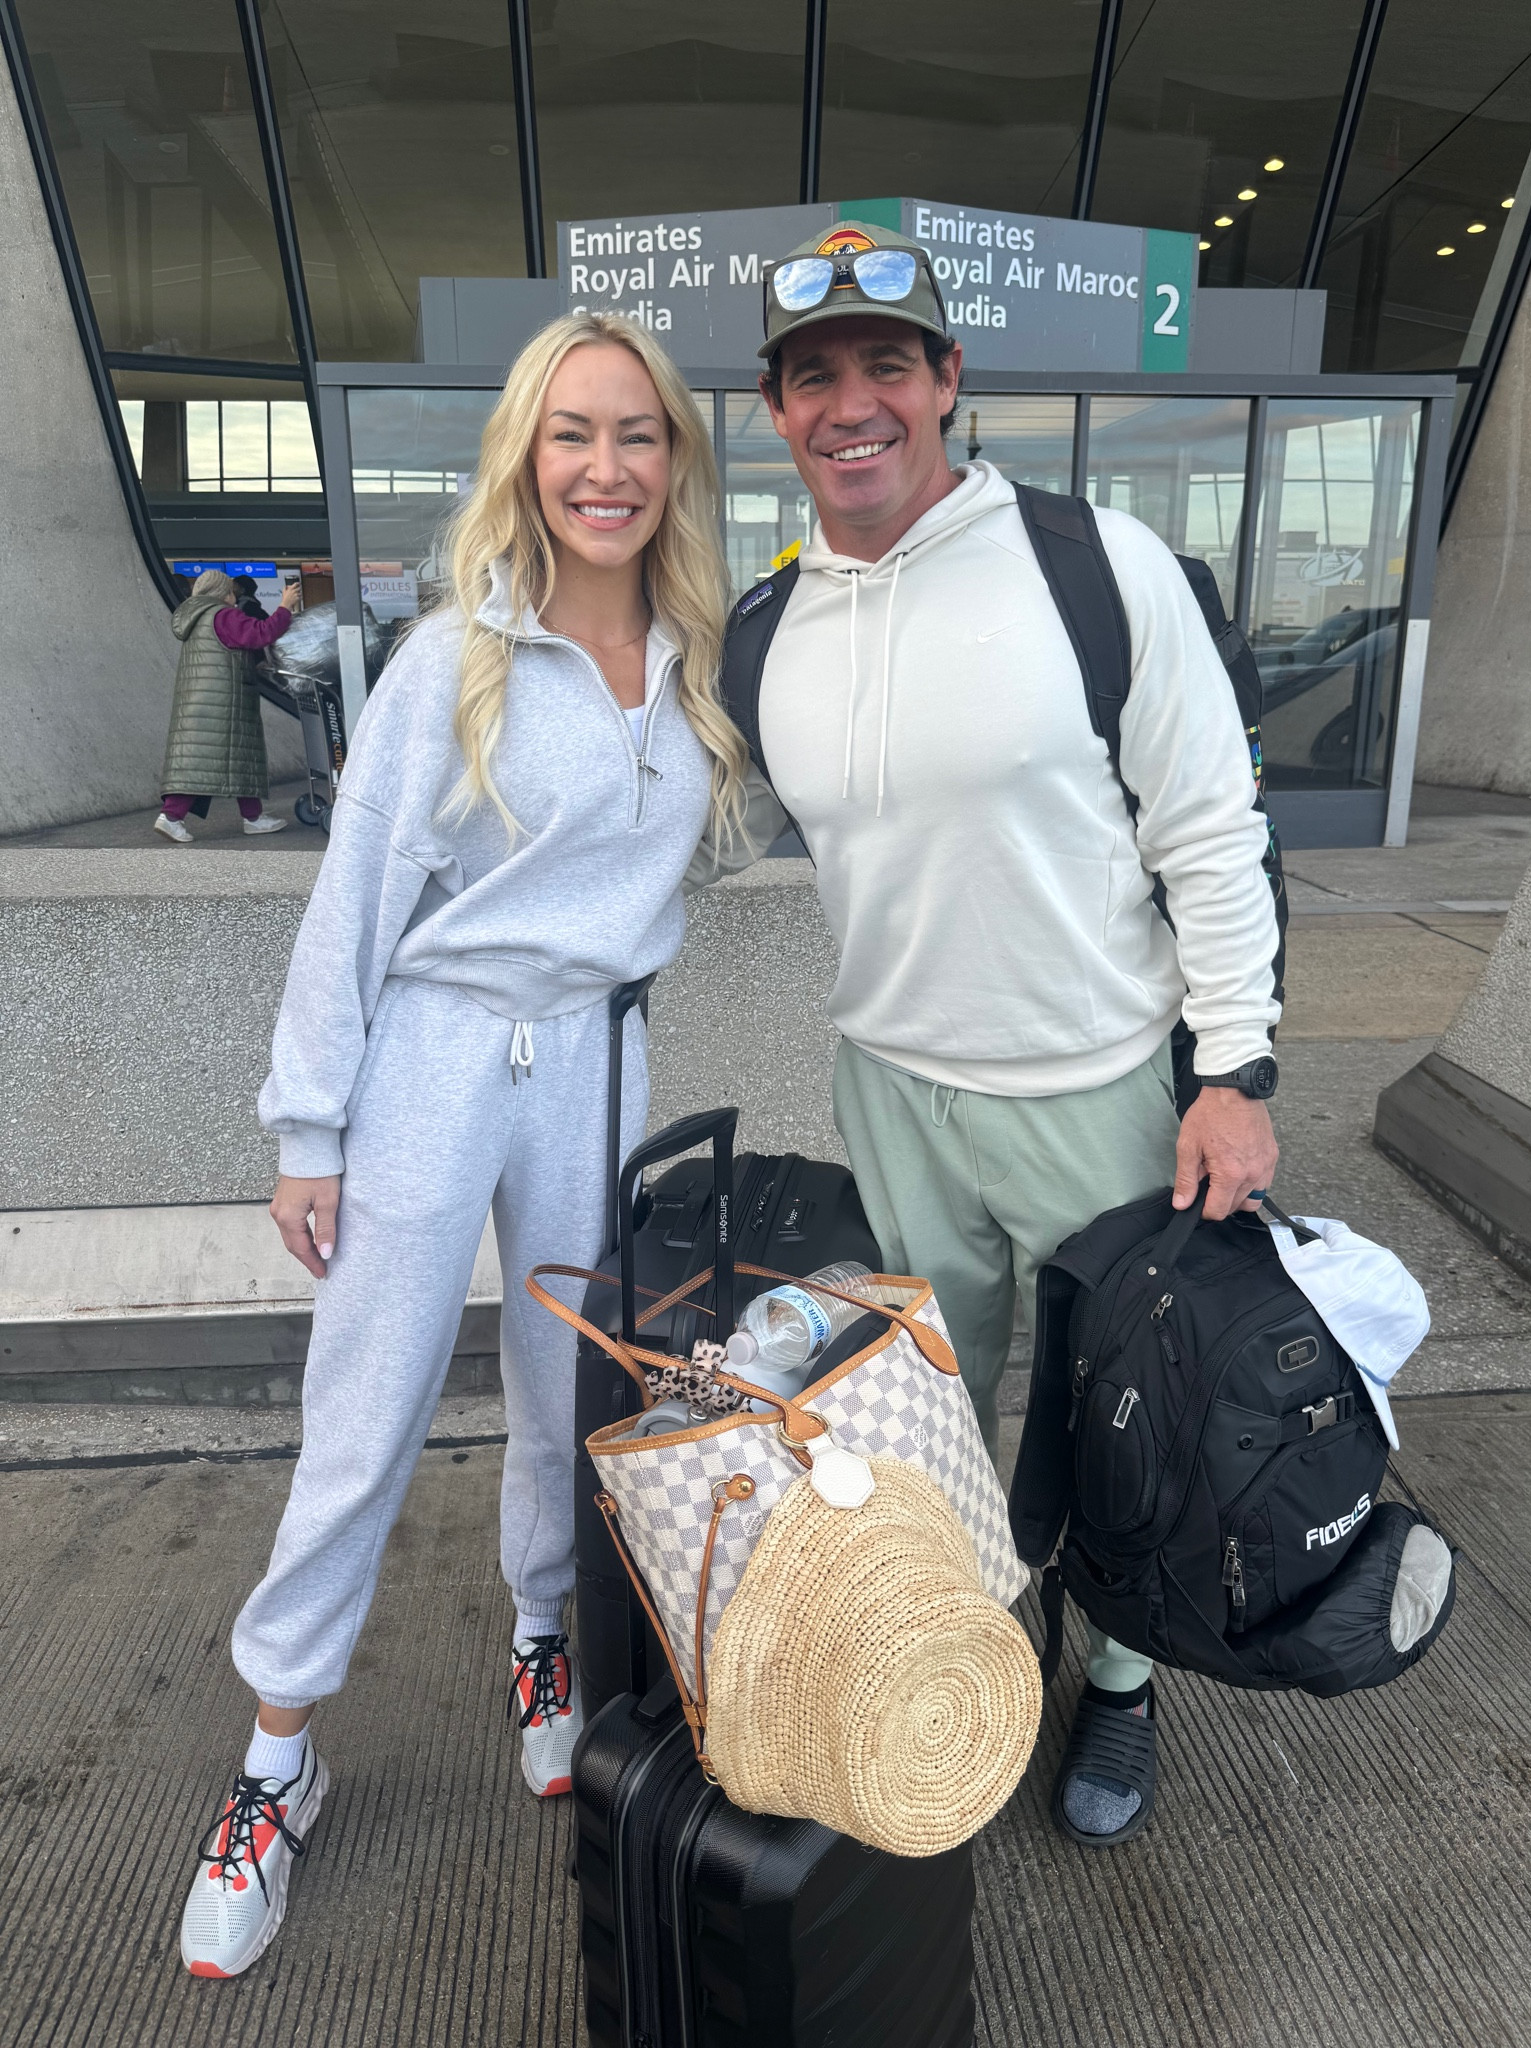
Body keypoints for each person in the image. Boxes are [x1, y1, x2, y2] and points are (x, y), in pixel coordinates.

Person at [697, 223, 1281, 1849]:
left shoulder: (1095, 566)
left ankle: (1115, 1681)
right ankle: (957, 1652)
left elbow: (1211, 829)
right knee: (926, 1422)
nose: (854, 402)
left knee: (1125, 1427)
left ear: (948, 381)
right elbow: (687, 830)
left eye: (889, 362)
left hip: (1093, 1090)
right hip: (888, 1086)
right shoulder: (766, 626)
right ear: (775, 408)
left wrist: (1231, 1070)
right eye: (816, 375)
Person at [178, 311, 746, 1978]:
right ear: (525, 453)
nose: (603, 467)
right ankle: (277, 1760)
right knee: (366, 1412)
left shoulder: (701, 658)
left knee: (580, 1395)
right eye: (571, 434)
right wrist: (310, 1128)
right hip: (435, 1053)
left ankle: (544, 1636)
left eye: (635, 434)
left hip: (600, 1056)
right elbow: (352, 897)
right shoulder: (455, 657)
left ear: (674, 460)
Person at [155, 568, 298, 841]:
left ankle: (253, 817)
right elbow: (260, 634)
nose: (235, 596)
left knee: (231, 759)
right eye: (231, 591)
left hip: (204, 702)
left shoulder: (196, 618)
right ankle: (171, 816)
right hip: (223, 704)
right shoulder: (222, 615)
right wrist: (284, 607)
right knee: (204, 763)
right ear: (222, 593)